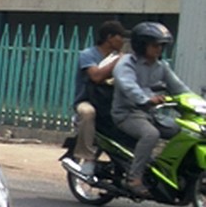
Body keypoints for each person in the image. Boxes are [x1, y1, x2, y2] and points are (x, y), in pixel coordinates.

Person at [111, 21, 189, 197]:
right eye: (155, 45)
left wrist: (197, 104)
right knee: (150, 134)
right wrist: (146, 99)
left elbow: (179, 88)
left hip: (151, 114)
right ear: (141, 45)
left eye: (161, 46)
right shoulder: (126, 63)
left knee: (184, 132)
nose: (159, 49)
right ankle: (134, 178)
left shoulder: (162, 66)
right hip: (127, 114)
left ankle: (165, 169)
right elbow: (129, 86)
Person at [64, 20, 126, 178]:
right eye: (120, 37)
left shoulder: (120, 57)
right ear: (109, 37)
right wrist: (118, 61)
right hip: (88, 100)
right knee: (87, 113)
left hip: (110, 101)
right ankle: (88, 158)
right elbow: (96, 76)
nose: (123, 41)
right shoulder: (88, 55)